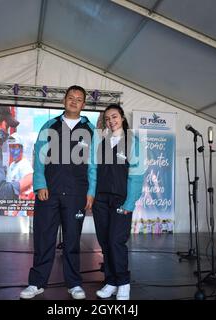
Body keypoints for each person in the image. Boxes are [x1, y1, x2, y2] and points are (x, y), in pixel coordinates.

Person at [20, 85, 97, 300]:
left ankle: (74, 284)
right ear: (64, 100)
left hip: (76, 194)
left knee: (72, 240)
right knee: (44, 238)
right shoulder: (49, 125)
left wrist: (91, 192)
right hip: (49, 193)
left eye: (79, 98)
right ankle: (36, 283)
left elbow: (93, 165)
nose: (74, 101)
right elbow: (39, 157)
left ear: (84, 104)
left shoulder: (91, 130)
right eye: (70, 97)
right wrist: (40, 184)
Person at [93, 104, 144, 300]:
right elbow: (95, 172)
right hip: (101, 200)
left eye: (114, 117)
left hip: (121, 200)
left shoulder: (133, 142)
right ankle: (111, 281)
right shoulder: (103, 143)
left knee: (116, 241)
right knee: (105, 243)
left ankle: (123, 283)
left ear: (122, 118)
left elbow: (137, 176)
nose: (111, 121)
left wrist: (129, 203)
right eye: (107, 119)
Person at [5, 133, 34, 216]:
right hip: (10, 212)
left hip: (19, 216)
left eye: (15, 147)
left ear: (21, 148)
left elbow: (27, 194)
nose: (12, 150)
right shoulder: (12, 165)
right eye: (11, 147)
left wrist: (15, 211)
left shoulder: (25, 166)